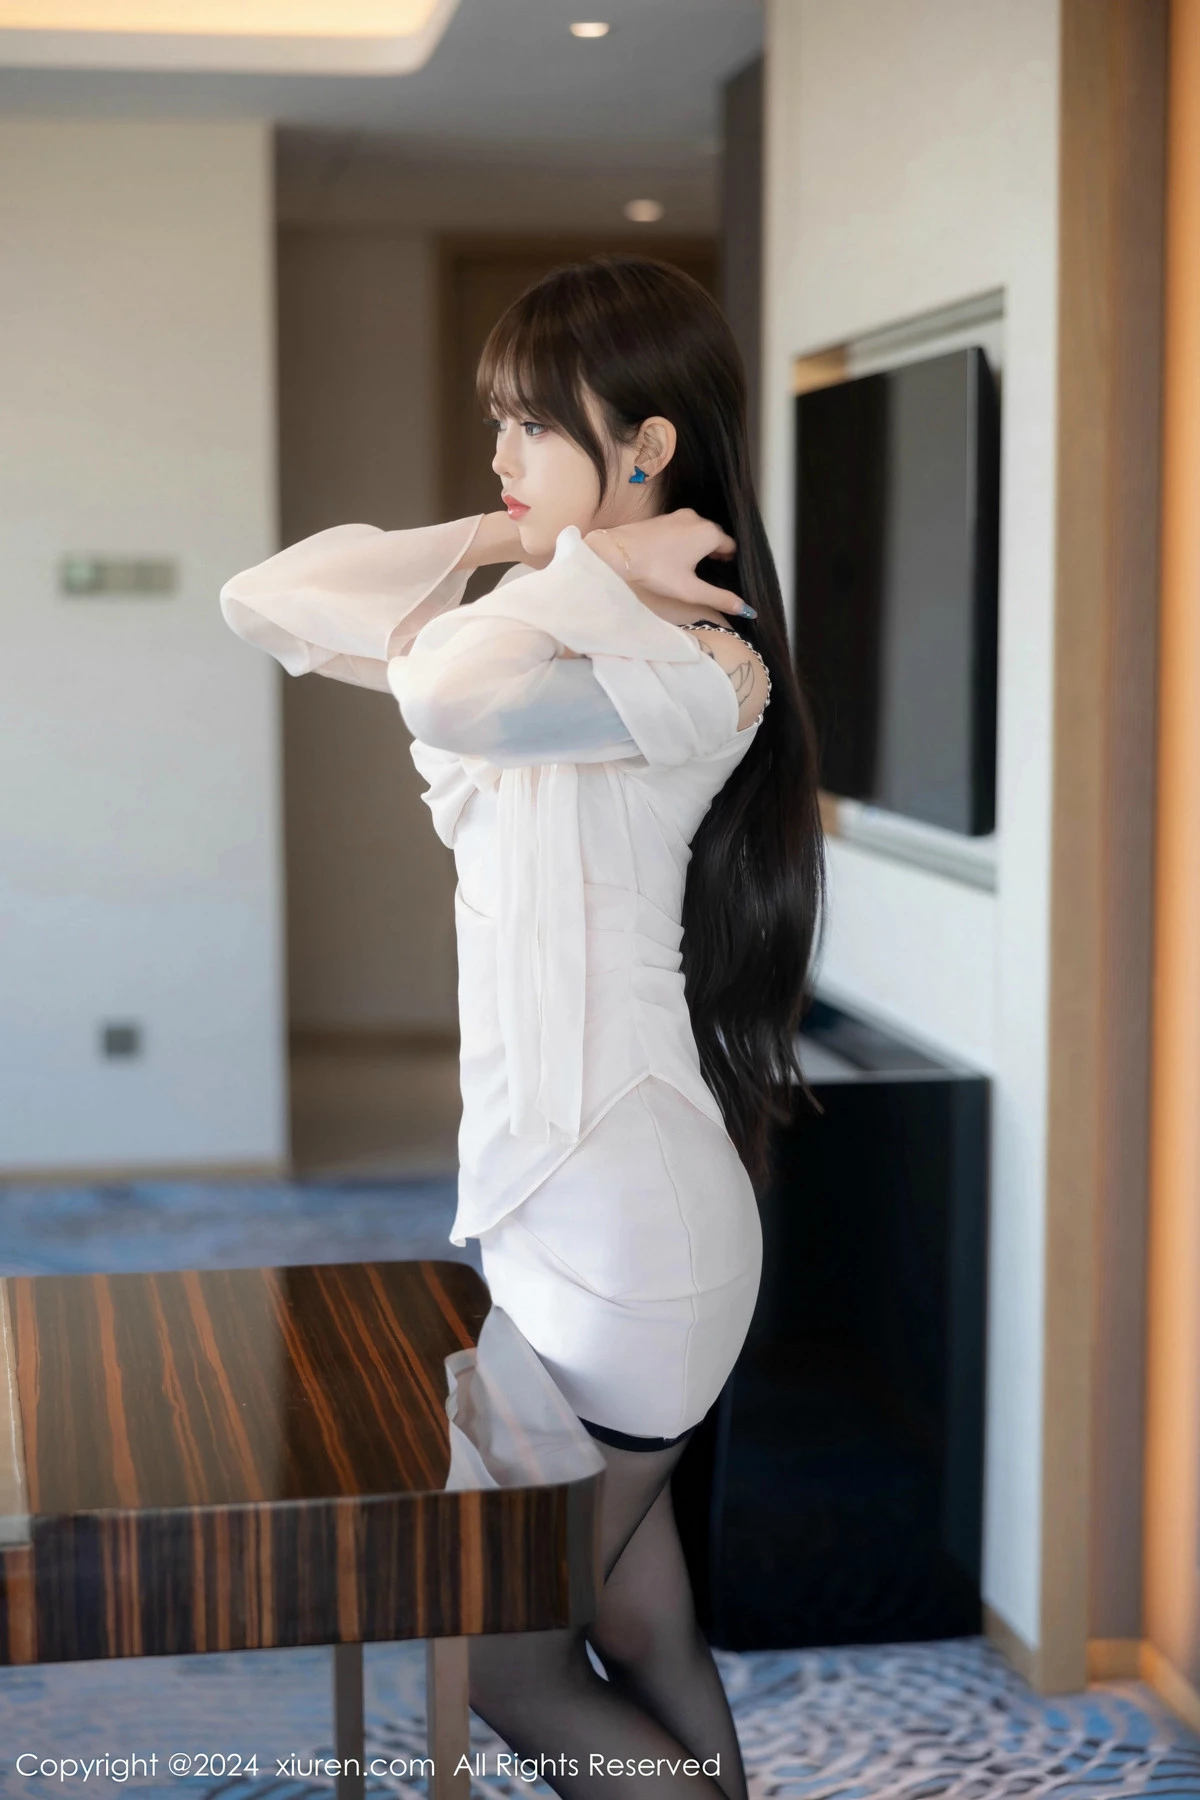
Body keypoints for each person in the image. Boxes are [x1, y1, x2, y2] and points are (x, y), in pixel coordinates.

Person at [220, 254, 825, 1799]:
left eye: (530, 423)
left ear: (647, 443)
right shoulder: (543, 616)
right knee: (636, 1618)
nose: (496, 451)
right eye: (495, 420)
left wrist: (583, 570)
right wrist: (538, 538)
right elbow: (266, 601)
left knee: (498, 1654)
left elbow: (448, 699)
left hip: (634, 1225)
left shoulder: (707, 669)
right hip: (543, 1204)